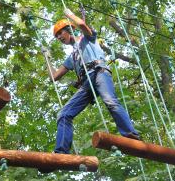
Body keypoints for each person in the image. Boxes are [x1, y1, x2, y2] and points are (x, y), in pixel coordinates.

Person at [42, 8, 140, 155]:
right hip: (88, 83)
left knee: (110, 101)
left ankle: (131, 135)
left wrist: (70, 15)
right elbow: (54, 77)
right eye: (56, 36)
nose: (59, 37)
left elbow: (81, 25)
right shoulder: (72, 57)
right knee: (63, 114)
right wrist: (47, 58)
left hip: (99, 72)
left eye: (60, 33)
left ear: (69, 29)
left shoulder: (87, 38)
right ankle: (61, 152)